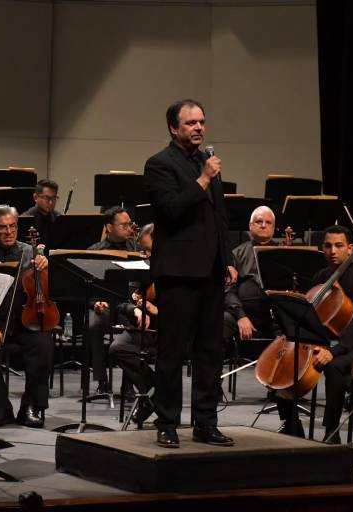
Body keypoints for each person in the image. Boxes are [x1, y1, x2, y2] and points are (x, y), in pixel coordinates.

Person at [143, 99, 237, 448]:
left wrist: (227, 258)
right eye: (191, 123)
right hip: (178, 271)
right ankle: (166, 422)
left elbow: (219, 217)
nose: (199, 128)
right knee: (171, 351)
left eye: (202, 122)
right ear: (173, 128)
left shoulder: (206, 163)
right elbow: (169, 211)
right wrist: (202, 179)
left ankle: (205, 422)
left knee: (210, 350)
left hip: (211, 270)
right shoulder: (159, 164)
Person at [274, 225, 353, 439]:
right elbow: (310, 315)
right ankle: (291, 423)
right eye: (328, 246)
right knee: (286, 360)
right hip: (327, 338)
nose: (333, 251)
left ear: (350, 249)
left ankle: (332, 431)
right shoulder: (321, 276)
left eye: (339, 246)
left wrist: (335, 350)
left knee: (334, 368)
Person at [0, 205, 52, 428]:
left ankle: (31, 407)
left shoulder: (31, 253)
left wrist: (44, 266)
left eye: (12, 226)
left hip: (25, 319)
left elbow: (44, 289)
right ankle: (0, 408)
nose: (8, 232)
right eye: (2, 227)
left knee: (43, 342)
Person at [85, 206, 140, 392]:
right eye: (123, 225)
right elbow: (87, 288)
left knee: (137, 324)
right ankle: (102, 382)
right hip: (105, 306)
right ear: (109, 227)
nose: (129, 229)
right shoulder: (95, 251)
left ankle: (129, 383)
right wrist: (95, 304)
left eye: (130, 224)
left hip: (130, 306)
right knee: (94, 324)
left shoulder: (137, 248)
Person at [108, 223, 158, 423]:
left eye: (148, 250)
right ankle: (155, 389)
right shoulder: (140, 267)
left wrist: (157, 311)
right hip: (143, 327)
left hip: (170, 329)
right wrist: (135, 308)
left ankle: (154, 396)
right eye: (142, 250)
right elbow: (123, 301)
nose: (144, 255)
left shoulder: (176, 268)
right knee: (118, 348)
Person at [224, 205, 279, 344]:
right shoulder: (236, 254)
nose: (263, 225)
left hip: (276, 314)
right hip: (244, 313)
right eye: (259, 222)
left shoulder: (284, 252)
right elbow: (228, 290)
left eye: (268, 222)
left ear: (273, 227)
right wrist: (241, 316)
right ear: (250, 226)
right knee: (220, 321)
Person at [21, 179, 62, 250]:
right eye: (46, 198)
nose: (51, 203)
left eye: (54, 198)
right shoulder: (24, 219)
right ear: (35, 197)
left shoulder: (59, 218)